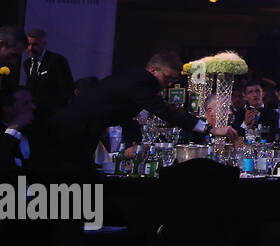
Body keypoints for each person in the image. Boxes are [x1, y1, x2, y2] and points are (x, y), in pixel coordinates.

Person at [42, 52, 217, 174]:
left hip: (78, 128)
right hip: (73, 130)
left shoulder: (132, 77)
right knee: (70, 178)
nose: (170, 84)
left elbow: (120, 112)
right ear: (153, 70)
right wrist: (209, 129)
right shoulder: (144, 80)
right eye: (168, 78)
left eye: (174, 80)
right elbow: (164, 110)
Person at [21, 29, 75, 118]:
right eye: (28, 45)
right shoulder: (27, 63)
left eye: (35, 45)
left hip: (51, 115)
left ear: (44, 44)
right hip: (32, 114)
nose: (30, 48)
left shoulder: (57, 61)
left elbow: (66, 90)